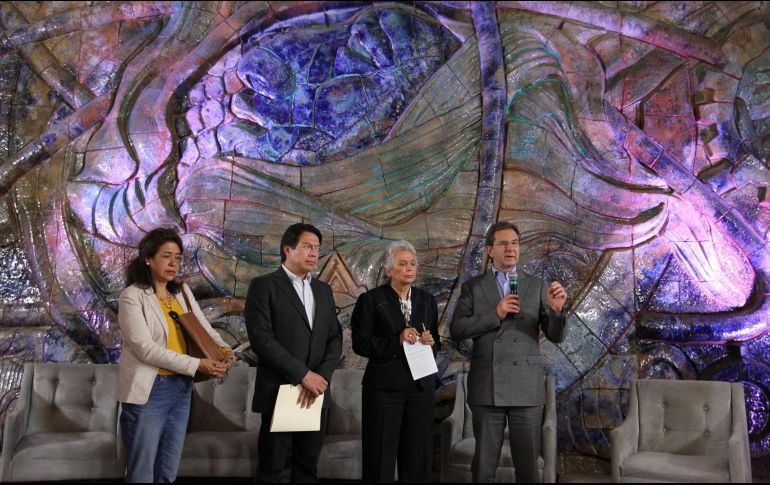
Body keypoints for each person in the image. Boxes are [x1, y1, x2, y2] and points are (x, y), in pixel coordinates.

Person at [450, 222, 568, 483]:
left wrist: (557, 311)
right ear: (490, 250)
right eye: (504, 243)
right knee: (484, 467)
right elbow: (457, 329)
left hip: (526, 388)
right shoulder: (474, 287)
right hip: (487, 386)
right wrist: (496, 313)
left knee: (527, 468)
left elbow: (556, 335)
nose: (511, 248)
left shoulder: (537, 286)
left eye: (514, 242)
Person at [117, 227, 235, 483]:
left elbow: (202, 327)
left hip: (181, 388)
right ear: (148, 258)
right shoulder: (132, 297)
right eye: (166, 256)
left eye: (178, 257)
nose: (174, 263)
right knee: (142, 472)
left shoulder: (181, 292)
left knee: (167, 470)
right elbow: (145, 349)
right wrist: (197, 364)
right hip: (150, 390)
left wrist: (224, 349)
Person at [245, 223, 343, 482]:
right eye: (307, 247)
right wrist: (303, 375)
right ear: (288, 249)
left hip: (316, 392)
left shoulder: (323, 290)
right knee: (271, 468)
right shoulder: (263, 286)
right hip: (280, 390)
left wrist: (320, 377)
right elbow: (261, 340)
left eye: (317, 249)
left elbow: (335, 338)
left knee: (307, 468)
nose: (314, 253)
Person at [351, 240, 439, 482]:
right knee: (380, 459)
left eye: (412, 264)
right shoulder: (370, 300)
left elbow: (437, 343)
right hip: (384, 391)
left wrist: (431, 341)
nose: (409, 268)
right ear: (389, 270)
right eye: (402, 264)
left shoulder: (427, 300)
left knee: (418, 459)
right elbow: (361, 344)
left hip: (421, 390)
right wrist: (397, 339)